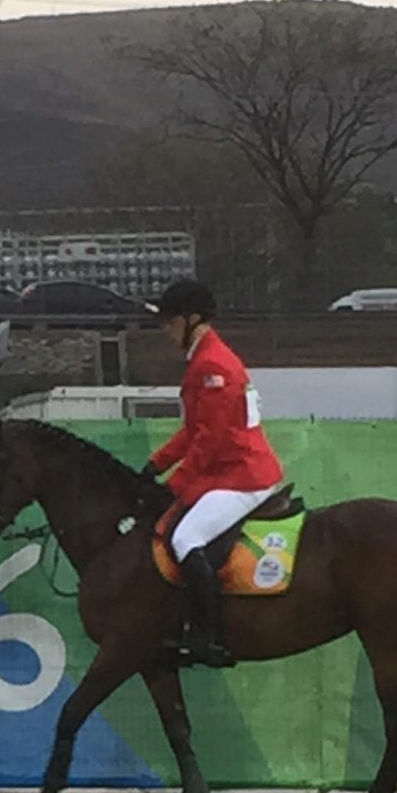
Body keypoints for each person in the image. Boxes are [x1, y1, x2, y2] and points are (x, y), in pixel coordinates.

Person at [147, 280, 284, 669]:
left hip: (243, 475)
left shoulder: (212, 366)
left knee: (185, 537)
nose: (166, 329)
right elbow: (193, 431)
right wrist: (155, 464)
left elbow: (211, 439)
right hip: (227, 470)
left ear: (192, 320)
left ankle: (208, 637)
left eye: (171, 321)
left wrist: (174, 484)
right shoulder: (204, 359)